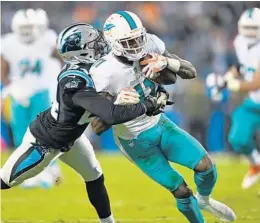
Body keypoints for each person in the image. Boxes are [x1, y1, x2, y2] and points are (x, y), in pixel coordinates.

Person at [0, 23, 163, 223]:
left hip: (73, 137)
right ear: (82, 52)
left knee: (94, 176)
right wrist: (147, 104)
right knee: (4, 181)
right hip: (45, 143)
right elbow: (109, 115)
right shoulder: (74, 80)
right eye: (94, 43)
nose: (101, 45)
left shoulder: (95, 68)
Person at [90, 11, 236, 223]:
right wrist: (115, 104)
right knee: (182, 190)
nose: (137, 45)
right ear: (114, 43)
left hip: (158, 122)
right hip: (134, 139)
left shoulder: (151, 44)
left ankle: (204, 200)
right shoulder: (104, 72)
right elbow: (97, 126)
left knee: (206, 166)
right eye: (129, 42)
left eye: (139, 38)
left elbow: (189, 72)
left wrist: (167, 62)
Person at [1, 8, 62, 188]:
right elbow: (2, 69)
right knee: (21, 135)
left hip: (40, 92)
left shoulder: (48, 38)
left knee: (43, 133)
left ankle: (50, 169)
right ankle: (24, 172)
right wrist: (10, 87)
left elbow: (60, 58)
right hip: (18, 93)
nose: (27, 32)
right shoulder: (8, 43)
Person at [211, 8, 260, 190]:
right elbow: (241, 67)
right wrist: (224, 80)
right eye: (246, 28)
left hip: (255, 93)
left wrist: (232, 85)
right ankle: (256, 164)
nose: (249, 33)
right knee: (238, 138)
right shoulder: (240, 42)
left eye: (253, 28)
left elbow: (256, 83)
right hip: (254, 103)